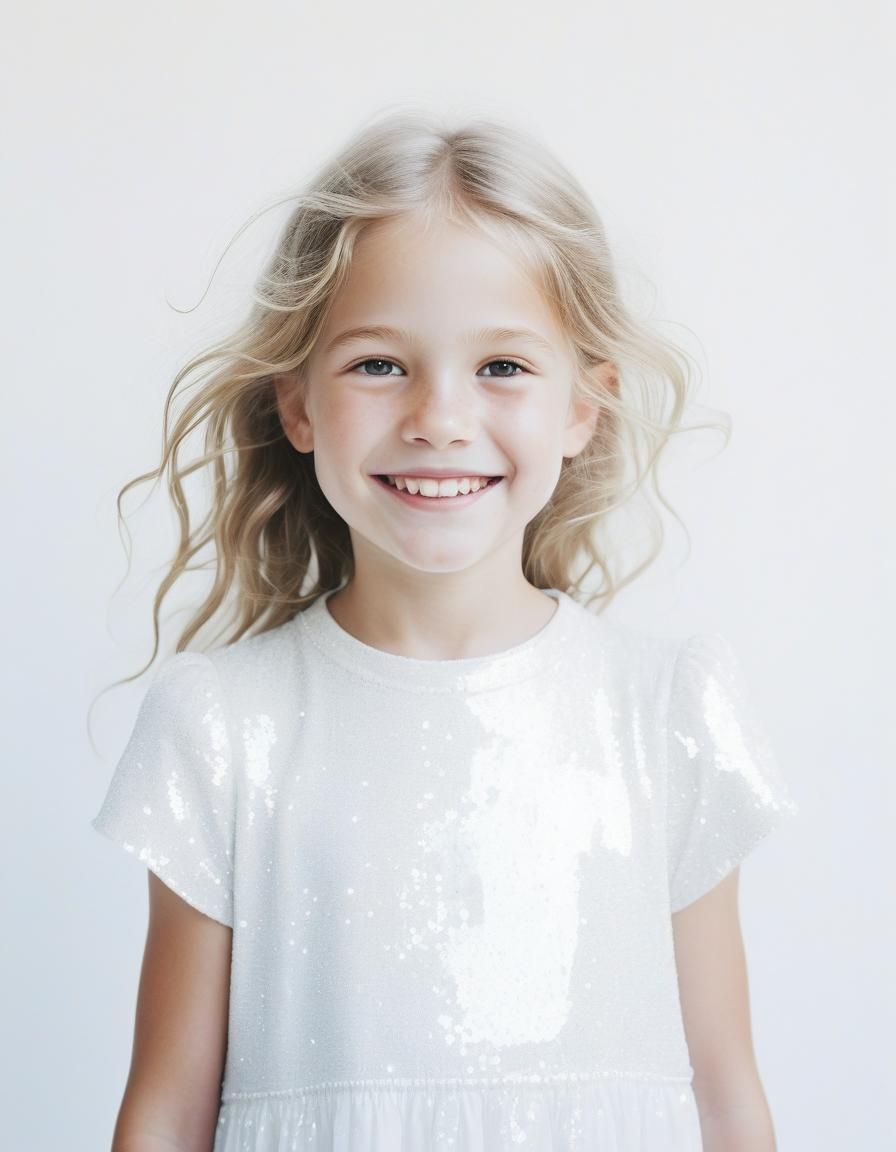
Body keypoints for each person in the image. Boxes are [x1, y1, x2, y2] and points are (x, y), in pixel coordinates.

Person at [90, 109, 799, 1152]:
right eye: (379, 365)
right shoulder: (221, 727)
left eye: (501, 367)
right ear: (296, 405)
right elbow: (165, 1110)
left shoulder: (664, 710)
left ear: (581, 408)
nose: (438, 416)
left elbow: (726, 1097)